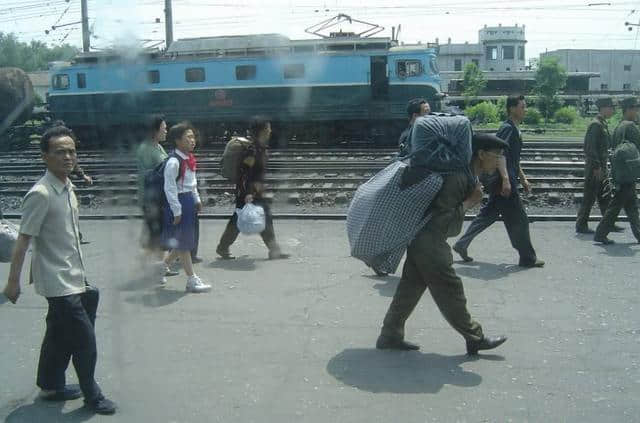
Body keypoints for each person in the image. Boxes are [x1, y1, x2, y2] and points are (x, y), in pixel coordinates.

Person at [2, 125, 116, 415]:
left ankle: (50, 385)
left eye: (71, 151)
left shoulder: (67, 186)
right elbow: (23, 241)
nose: (68, 157)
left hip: (73, 274)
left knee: (58, 333)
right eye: (60, 152)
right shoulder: (41, 193)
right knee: (83, 339)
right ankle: (93, 394)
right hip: (56, 280)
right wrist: (12, 283)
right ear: (45, 157)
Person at [377, 133, 508, 354]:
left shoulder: (467, 175)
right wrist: (470, 202)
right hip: (429, 240)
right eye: (496, 156)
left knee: (410, 289)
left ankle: (390, 334)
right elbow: (443, 219)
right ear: (481, 154)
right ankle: (474, 336)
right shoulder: (458, 178)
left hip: (422, 238)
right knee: (451, 288)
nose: (499, 162)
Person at [452, 95, 544, 268]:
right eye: (522, 107)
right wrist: (506, 180)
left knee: (489, 214)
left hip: (504, 179)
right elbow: (499, 155)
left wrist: (522, 178)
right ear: (512, 109)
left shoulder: (515, 128)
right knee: (519, 220)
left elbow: (513, 159)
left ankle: (462, 244)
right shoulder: (507, 129)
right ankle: (527, 258)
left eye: (525, 106)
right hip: (503, 182)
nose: (525, 110)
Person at [216, 116, 290, 260]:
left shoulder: (259, 148)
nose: (270, 131)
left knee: (252, 217)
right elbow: (244, 172)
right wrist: (247, 193)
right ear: (262, 131)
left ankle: (223, 247)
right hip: (248, 192)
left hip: (254, 191)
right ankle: (223, 247)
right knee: (242, 218)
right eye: (268, 128)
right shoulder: (252, 150)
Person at [161, 122, 211, 293]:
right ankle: (191, 279)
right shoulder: (174, 162)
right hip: (179, 203)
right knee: (184, 244)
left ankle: (161, 267)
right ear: (177, 141)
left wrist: (196, 199)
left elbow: (192, 184)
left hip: (188, 201)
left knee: (185, 241)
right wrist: (177, 210)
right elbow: (169, 188)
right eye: (188, 137)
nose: (192, 140)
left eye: (193, 136)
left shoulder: (188, 159)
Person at [594, 97, 640, 244]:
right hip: (628, 172)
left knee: (631, 204)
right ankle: (600, 233)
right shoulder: (631, 127)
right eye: (636, 109)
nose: (637, 112)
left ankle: (639, 234)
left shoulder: (619, 126)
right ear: (630, 110)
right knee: (616, 204)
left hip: (620, 171)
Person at [575, 98, 618, 234]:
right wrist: (597, 167)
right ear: (603, 108)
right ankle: (581, 225)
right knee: (589, 197)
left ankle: (608, 223)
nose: (613, 110)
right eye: (611, 107)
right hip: (595, 169)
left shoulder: (601, 124)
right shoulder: (595, 125)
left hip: (601, 167)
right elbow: (590, 148)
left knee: (605, 196)